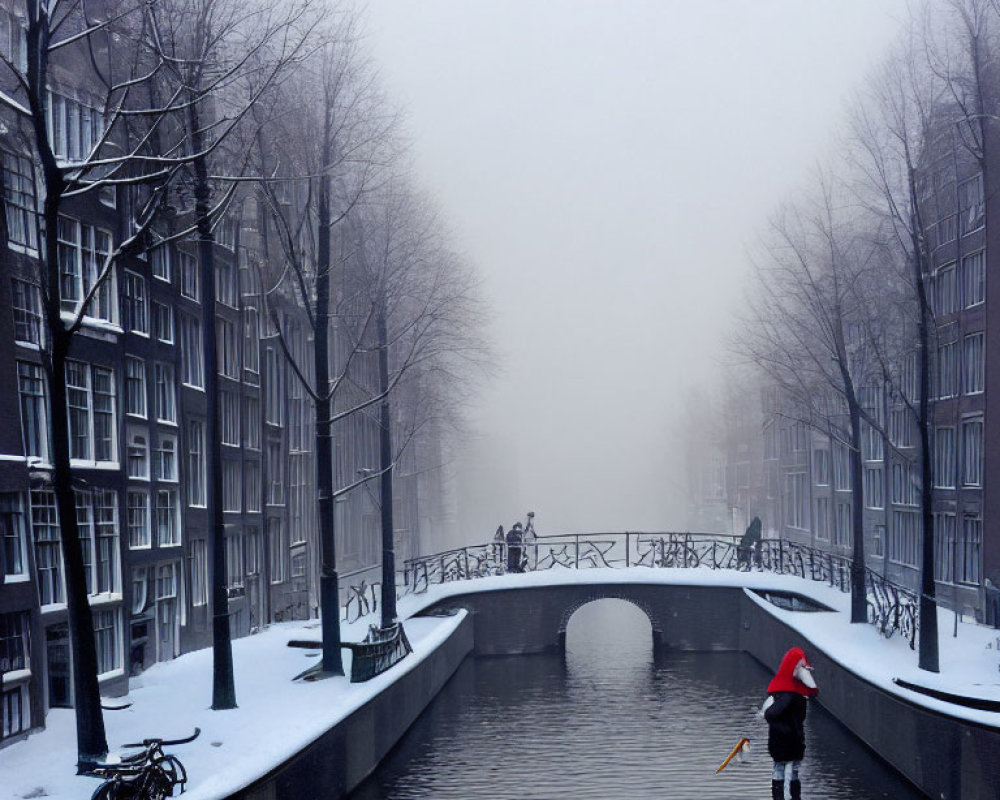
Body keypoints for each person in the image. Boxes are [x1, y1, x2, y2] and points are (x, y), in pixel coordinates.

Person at [763, 646, 818, 800]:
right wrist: (787, 730)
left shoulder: (789, 693)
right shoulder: (789, 696)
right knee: (787, 770)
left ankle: (783, 797)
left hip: (788, 739)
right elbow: (771, 714)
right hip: (788, 739)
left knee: (782, 770)